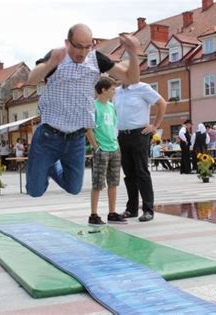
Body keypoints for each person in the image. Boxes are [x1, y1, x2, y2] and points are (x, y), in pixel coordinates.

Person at [25, 24, 140, 197]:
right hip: (48, 137)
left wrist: (132, 52)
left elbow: (131, 78)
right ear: (68, 43)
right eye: (78, 46)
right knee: (35, 191)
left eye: (88, 47)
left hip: (76, 139)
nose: (83, 52)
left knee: (73, 188)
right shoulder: (58, 55)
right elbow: (32, 79)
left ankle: (50, 166)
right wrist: (51, 63)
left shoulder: (97, 59)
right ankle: (47, 165)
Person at [114, 81, 167, 222]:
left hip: (139, 133)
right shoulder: (117, 91)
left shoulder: (142, 88)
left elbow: (162, 103)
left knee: (141, 172)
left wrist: (155, 125)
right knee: (129, 173)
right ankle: (131, 209)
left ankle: (148, 209)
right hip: (122, 135)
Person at [86, 77, 126, 225]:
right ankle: (94, 214)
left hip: (114, 148)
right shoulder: (93, 106)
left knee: (113, 182)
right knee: (97, 183)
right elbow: (88, 129)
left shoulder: (111, 106)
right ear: (103, 90)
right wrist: (96, 148)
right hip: (101, 149)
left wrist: (116, 143)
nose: (114, 91)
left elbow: (114, 126)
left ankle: (112, 212)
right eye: (112, 88)